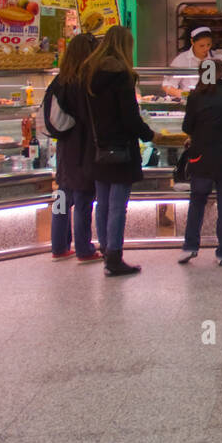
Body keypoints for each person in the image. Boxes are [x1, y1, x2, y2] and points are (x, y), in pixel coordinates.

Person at [83, 25, 157, 277]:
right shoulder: (124, 76)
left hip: (99, 147)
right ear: (126, 46)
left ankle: (106, 249)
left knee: (101, 202)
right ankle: (114, 256)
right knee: (117, 206)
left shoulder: (91, 74)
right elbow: (130, 118)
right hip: (122, 148)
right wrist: (151, 135)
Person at [178, 59, 222, 266]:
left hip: (203, 159)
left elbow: (187, 126)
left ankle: (190, 247)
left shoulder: (197, 96)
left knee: (197, 202)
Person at [43, 32, 100, 263]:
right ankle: (84, 249)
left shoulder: (59, 80)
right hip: (83, 146)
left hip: (64, 147)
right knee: (84, 197)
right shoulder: (85, 83)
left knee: (62, 196)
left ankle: (58, 246)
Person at [164, 26, 222, 95]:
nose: (206, 48)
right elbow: (167, 85)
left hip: (213, 100)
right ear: (192, 42)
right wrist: (184, 94)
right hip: (189, 101)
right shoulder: (181, 59)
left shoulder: (218, 58)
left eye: (208, 44)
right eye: (201, 46)